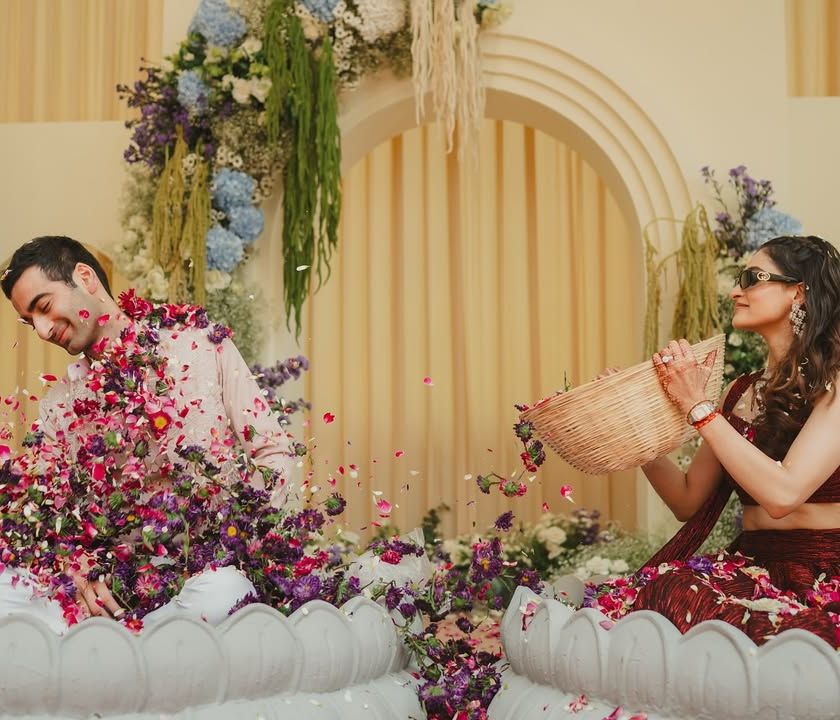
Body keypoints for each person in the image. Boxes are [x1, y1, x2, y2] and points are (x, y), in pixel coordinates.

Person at [0, 236, 297, 631]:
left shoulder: (201, 345)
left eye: (43, 306)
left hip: (202, 575)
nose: (41, 330)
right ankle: (125, 636)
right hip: (112, 584)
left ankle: (129, 640)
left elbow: (274, 453)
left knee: (224, 591)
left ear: (85, 277)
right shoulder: (59, 404)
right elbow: (49, 516)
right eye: (29, 320)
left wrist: (236, 539)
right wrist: (76, 567)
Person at [587, 235, 840, 647]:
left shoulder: (835, 386)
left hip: (824, 573)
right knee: (667, 593)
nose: (735, 291)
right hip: (753, 566)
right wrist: (635, 425)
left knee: (792, 639)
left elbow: (783, 494)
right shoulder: (740, 393)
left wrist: (697, 405)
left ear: (798, 292)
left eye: (751, 278)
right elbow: (687, 501)